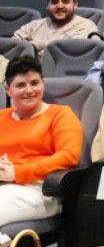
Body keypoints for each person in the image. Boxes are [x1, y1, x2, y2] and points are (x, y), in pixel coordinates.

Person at [0, 56, 83, 228]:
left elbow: (69, 156)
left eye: (34, 83)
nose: (29, 90)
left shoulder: (60, 114)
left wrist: (17, 172)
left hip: (40, 190)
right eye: (21, 85)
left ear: (43, 84)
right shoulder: (2, 117)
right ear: (8, 90)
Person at [15, 0, 99, 58]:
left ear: (75, 5)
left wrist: (35, 45)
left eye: (65, 1)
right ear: (48, 5)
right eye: (54, 2)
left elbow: (66, 51)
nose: (59, 6)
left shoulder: (86, 26)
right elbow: (13, 48)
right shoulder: (33, 26)